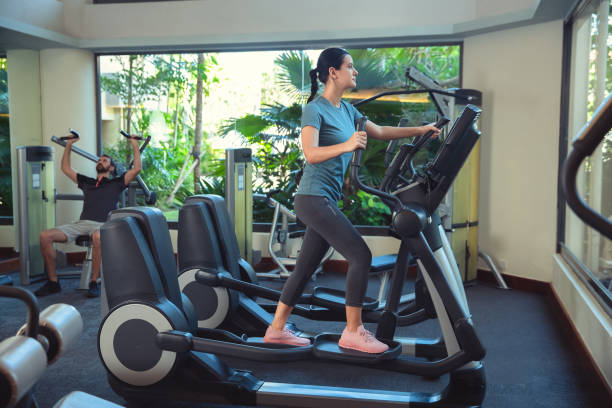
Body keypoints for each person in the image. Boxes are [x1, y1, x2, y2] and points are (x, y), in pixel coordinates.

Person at [262, 47, 441, 354]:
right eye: (350, 66)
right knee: (360, 254)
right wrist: (346, 145)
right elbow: (311, 153)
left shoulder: (348, 110)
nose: (355, 71)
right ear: (333, 72)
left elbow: (382, 131)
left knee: (305, 267)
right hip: (312, 196)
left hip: (324, 198)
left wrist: (420, 130)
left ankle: (276, 330)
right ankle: (353, 331)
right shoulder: (314, 109)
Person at [34, 135, 142, 298]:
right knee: (45, 236)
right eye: (100, 160)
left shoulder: (116, 183)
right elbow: (66, 169)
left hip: (103, 224)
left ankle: (93, 282)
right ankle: (53, 282)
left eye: (105, 161)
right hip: (81, 223)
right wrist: (69, 144)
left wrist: (134, 145)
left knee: (97, 237)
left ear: (111, 168)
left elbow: (136, 169)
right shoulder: (87, 182)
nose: (101, 162)